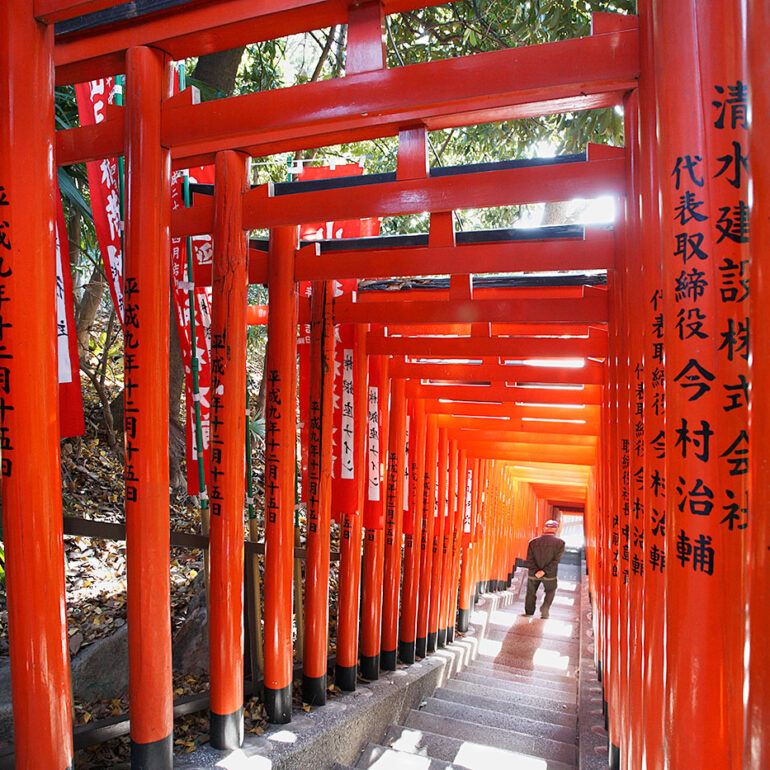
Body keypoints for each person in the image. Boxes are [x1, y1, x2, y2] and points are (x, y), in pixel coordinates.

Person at [524, 519, 566, 619]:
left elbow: (529, 559)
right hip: (550, 575)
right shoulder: (560, 543)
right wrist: (544, 571)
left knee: (531, 592)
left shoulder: (533, 542)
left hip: (533, 574)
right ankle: (545, 609)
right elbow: (556, 561)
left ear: (544, 528)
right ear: (556, 529)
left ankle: (529, 611)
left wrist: (536, 571)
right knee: (550, 591)